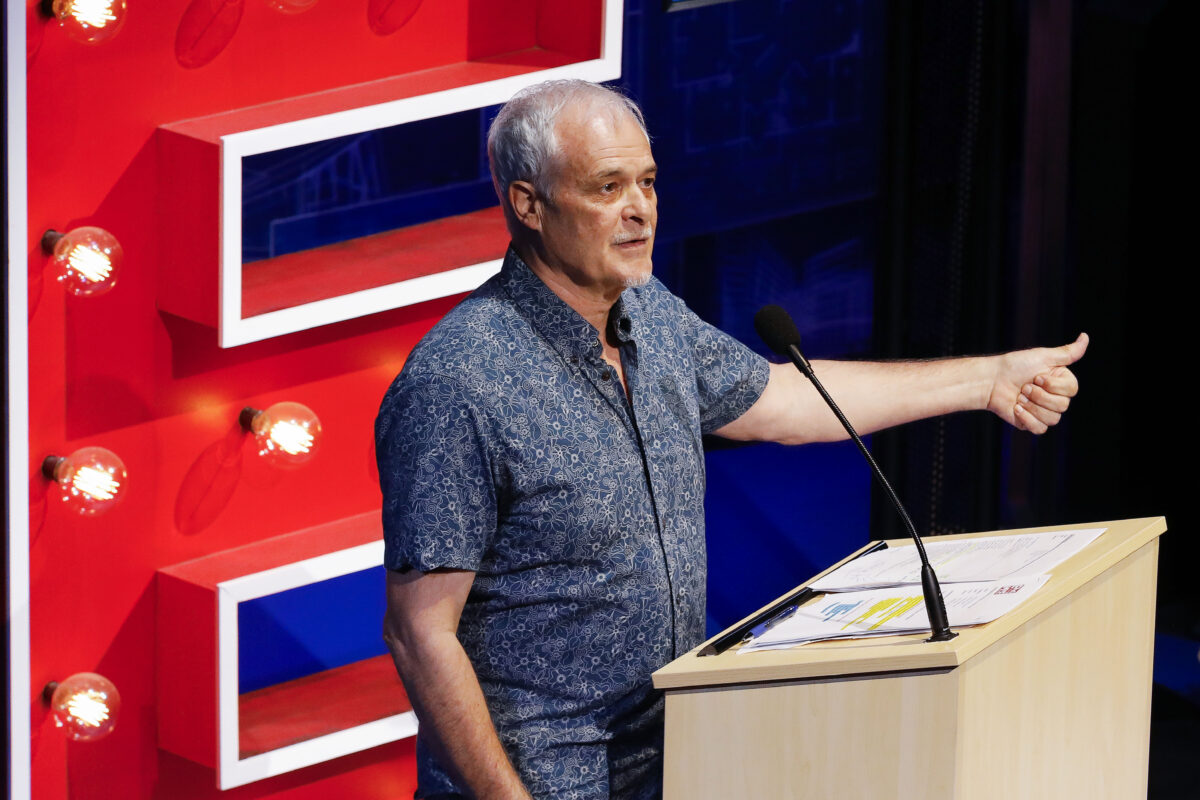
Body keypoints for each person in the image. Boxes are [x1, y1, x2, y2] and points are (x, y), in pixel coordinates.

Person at [375, 79, 1086, 800]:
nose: (640, 210)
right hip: (544, 779)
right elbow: (420, 633)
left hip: (678, 759)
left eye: (648, 183)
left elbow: (784, 399)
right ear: (528, 204)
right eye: (607, 187)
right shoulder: (458, 383)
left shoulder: (648, 313)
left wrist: (988, 381)